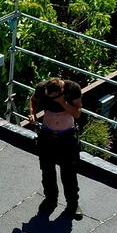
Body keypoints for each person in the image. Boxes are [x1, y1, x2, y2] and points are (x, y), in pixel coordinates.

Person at [28, 77, 84, 219]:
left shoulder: (73, 88)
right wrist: (32, 112)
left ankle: (73, 204)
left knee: (69, 172)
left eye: (54, 97)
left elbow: (77, 113)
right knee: (47, 169)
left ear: (61, 91)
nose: (51, 99)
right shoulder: (43, 88)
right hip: (47, 134)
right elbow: (33, 100)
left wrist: (62, 102)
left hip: (67, 136)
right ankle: (50, 199)